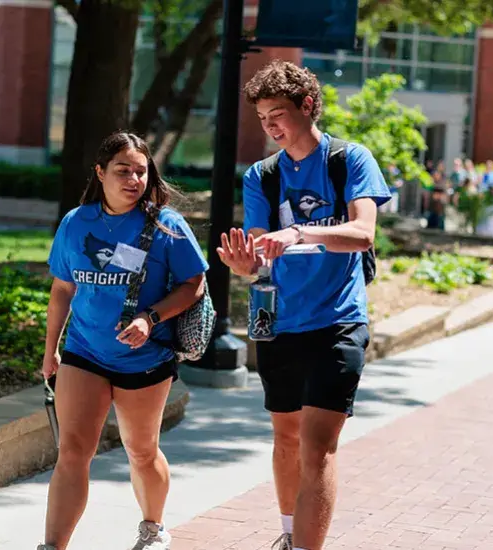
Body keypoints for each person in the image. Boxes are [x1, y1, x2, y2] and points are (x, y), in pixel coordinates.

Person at [216, 60, 390, 550]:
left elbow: (362, 234)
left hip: (338, 321)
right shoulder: (262, 176)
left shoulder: (349, 160)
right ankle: (290, 536)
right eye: (262, 119)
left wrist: (297, 231)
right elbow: (259, 253)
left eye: (277, 115)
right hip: (281, 322)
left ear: (307, 105)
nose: (270, 127)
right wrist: (244, 263)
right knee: (287, 440)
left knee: (318, 447)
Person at [37, 132, 208, 550]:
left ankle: (153, 528)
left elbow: (195, 284)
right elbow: (63, 288)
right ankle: (52, 546)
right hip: (84, 351)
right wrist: (51, 349)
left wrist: (151, 318)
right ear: (100, 172)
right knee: (73, 452)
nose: (133, 179)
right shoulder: (76, 223)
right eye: (123, 170)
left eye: (141, 171)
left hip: (144, 357)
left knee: (142, 450)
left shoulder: (166, 224)